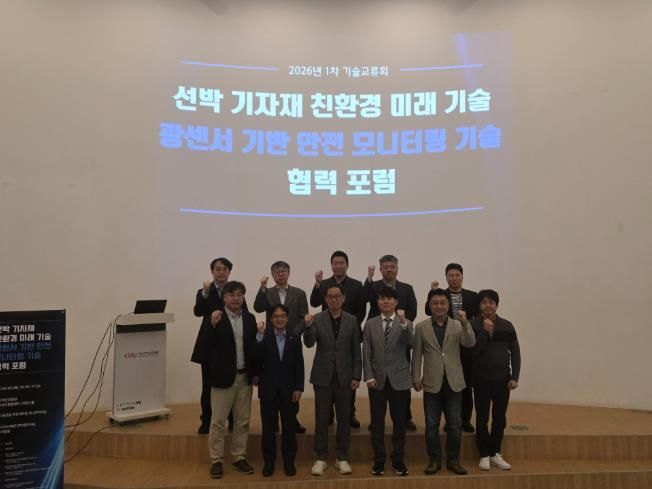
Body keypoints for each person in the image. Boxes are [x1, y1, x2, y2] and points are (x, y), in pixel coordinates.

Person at [412, 288, 475, 476]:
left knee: (455, 424)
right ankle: (434, 460)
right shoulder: (421, 327)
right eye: (435, 303)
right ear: (429, 305)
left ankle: (453, 460)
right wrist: (415, 377)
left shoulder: (458, 325)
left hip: (454, 381)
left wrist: (465, 323)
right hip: (432, 382)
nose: (439, 306)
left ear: (448, 305)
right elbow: (417, 355)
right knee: (431, 425)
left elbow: (470, 343)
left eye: (443, 303)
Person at [303, 283, 362, 476]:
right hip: (323, 376)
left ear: (343, 298)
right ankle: (320, 457)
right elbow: (309, 343)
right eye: (330, 297)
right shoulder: (317, 319)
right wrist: (308, 326)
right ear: (325, 299)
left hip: (345, 377)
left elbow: (356, 351)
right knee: (321, 419)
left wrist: (356, 375)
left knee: (344, 419)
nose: (334, 299)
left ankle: (342, 457)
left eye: (337, 296)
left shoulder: (352, 320)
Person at [205, 281, 259, 479]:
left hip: (245, 377)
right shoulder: (216, 317)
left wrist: (255, 372)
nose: (236, 298)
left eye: (239, 294)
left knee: (242, 421)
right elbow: (206, 345)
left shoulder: (250, 318)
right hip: (222, 377)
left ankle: (239, 457)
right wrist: (212, 325)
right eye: (231, 294)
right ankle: (216, 460)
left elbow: (253, 348)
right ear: (224, 297)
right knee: (218, 422)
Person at [311, 250, 366, 428]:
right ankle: (328, 413)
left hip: (349, 333)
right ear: (331, 265)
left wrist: (351, 327)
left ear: (347, 265)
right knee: (328, 372)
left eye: (341, 263)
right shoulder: (325, 284)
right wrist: (317, 284)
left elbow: (361, 311)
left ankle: (350, 413)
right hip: (327, 333)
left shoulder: (357, 285)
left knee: (347, 374)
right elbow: (314, 303)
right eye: (335, 263)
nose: (338, 266)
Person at [362, 287, 413, 476]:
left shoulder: (406, 322)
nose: (386, 301)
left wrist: (403, 323)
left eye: (390, 299)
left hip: (400, 380)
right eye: (382, 298)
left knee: (399, 423)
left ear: (396, 302)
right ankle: (379, 460)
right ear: (378, 302)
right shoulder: (370, 324)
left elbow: (411, 343)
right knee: (377, 423)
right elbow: (366, 352)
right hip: (377, 380)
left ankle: (398, 461)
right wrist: (369, 376)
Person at [254, 260, 309, 433]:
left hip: (291, 341)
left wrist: (294, 335)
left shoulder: (299, 293)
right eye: (276, 271)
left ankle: (292, 419)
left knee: (291, 378)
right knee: (272, 377)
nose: (280, 274)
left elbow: (303, 317)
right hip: (271, 341)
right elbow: (258, 307)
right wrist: (262, 288)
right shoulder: (267, 292)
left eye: (284, 270)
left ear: (289, 273)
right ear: (272, 274)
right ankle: (273, 421)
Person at [365, 254, 418, 431]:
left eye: (392, 266)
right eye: (386, 267)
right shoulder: (374, 286)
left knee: (401, 378)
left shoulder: (406, 288)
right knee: (378, 379)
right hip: (377, 333)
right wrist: (369, 278)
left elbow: (413, 309)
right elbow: (364, 299)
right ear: (380, 269)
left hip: (400, 336)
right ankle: (376, 419)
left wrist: (402, 325)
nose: (389, 269)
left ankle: (405, 416)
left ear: (397, 268)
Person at [470, 289, 521, 471]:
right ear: (479, 306)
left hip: (502, 379)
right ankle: (484, 454)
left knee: (499, 417)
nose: (488, 306)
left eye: (491, 302)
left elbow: (515, 352)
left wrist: (515, 377)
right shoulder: (473, 325)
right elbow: (473, 351)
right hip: (481, 378)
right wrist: (485, 332)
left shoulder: (507, 325)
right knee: (482, 417)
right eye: (484, 302)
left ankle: (495, 452)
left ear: (497, 305)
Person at [427, 263, 479, 433]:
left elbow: (477, 320)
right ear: (446, 277)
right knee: (446, 385)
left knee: (466, 384)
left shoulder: (473, 296)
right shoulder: (441, 295)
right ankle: (450, 420)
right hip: (446, 346)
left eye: (457, 275)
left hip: (466, 346)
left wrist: (466, 325)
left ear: (462, 276)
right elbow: (429, 311)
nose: (454, 278)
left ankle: (465, 420)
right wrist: (433, 291)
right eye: (450, 275)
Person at [254, 304, 304, 477]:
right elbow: (256, 358)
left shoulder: (294, 337)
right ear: (271, 319)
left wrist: (298, 387)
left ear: (287, 318)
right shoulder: (263, 336)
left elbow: (299, 365)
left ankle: (289, 463)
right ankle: (269, 463)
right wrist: (259, 336)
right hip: (268, 391)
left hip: (289, 392)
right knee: (268, 431)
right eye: (276, 316)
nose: (279, 319)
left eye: (283, 316)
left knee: (289, 430)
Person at [191, 257, 236, 435]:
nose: (221, 272)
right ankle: (207, 421)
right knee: (208, 386)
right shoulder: (204, 291)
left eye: (225, 269)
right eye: (218, 269)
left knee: (232, 384)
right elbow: (197, 312)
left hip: (231, 345)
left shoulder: (235, 291)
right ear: (212, 271)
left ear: (229, 272)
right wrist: (204, 293)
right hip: (209, 345)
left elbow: (244, 313)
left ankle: (233, 420)